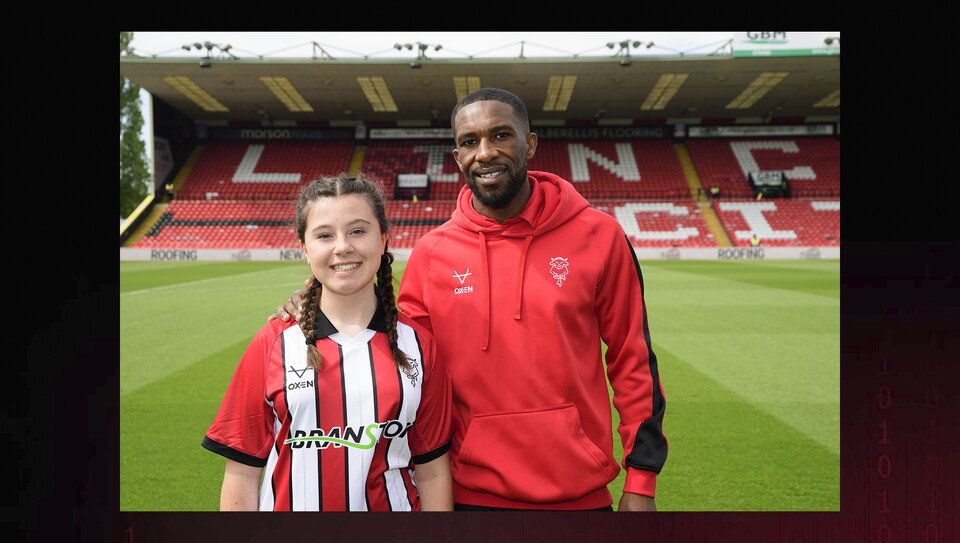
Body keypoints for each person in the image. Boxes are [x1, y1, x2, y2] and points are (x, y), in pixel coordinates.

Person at [274, 88, 667, 511]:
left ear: (530, 143)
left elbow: (632, 358)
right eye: (469, 141)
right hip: (466, 496)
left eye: (501, 135)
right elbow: (401, 357)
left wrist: (641, 481)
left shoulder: (600, 236)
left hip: (580, 496)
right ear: (457, 156)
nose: (485, 153)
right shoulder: (432, 253)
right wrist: (318, 306)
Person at [203, 174, 453, 511]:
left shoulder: (419, 345)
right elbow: (242, 474)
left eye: (358, 231)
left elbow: (432, 473)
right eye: (324, 235)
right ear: (305, 249)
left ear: (383, 239)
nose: (342, 247)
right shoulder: (273, 343)